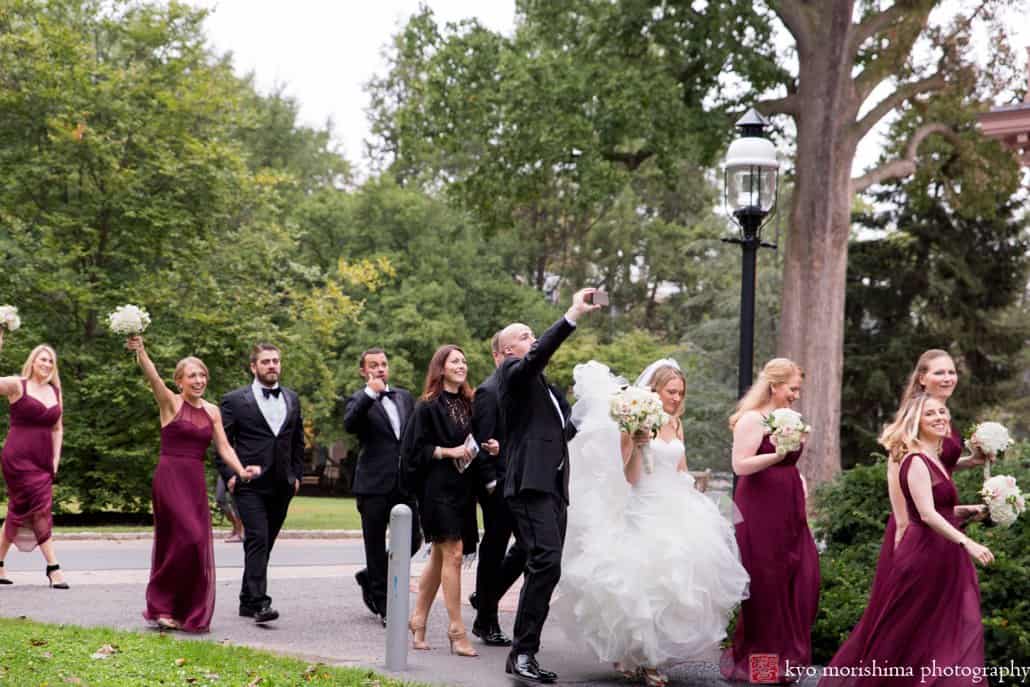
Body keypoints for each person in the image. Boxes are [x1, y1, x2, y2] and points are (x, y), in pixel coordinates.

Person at [557, 359, 750, 687]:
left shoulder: (675, 422)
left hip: (675, 502)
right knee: (643, 582)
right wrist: (637, 442)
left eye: (680, 393)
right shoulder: (632, 424)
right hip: (642, 505)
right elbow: (629, 477)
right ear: (654, 391)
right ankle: (643, 659)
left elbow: (681, 468)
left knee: (678, 583)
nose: (676, 398)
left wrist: (692, 498)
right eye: (671, 392)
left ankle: (652, 654)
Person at [818, 393, 992, 686]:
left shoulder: (934, 458)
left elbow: (940, 509)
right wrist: (968, 542)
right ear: (916, 422)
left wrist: (966, 510)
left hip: (943, 555)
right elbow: (925, 514)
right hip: (923, 556)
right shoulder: (914, 460)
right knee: (905, 635)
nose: (940, 417)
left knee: (943, 631)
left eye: (942, 412)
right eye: (930, 414)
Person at [843, 349, 990, 659]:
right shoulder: (916, 415)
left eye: (951, 371)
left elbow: (939, 464)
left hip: (941, 519)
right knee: (903, 616)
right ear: (922, 378)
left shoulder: (940, 416)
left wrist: (972, 462)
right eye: (939, 372)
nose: (948, 378)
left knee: (939, 615)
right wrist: (902, 524)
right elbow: (900, 469)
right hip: (917, 525)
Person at [497, 287, 600, 684]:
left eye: (530, 334)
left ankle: (522, 652)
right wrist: (572, 314)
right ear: (508, 351)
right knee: (545, 562)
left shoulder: (547, 389)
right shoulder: (512, 374)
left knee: (546, 567)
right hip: (529, 485)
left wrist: (603, 406)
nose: (532, 339)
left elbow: (565, 432)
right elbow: (536, 357)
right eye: (523, 336)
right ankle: (522, 653)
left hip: (555, 487)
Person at [127, 336, 260, 632]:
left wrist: (242, 471)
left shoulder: (212, 411)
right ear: (179, 382)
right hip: (170, 477)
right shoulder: (170, 403)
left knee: (196, 543)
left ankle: (183, 609)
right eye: (192, 376)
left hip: (194, 481)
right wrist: (141, 351)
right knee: (184, 538)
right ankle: (161, 606)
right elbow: (152, 376)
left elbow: (224, 448)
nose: (199, 380)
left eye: (202, 375)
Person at [720, 358, 820, 682]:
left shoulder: (791, 419)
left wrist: (800, 480)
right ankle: (762, 668)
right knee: (766, 586)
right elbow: (740, 466)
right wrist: (777, 454)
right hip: (759, 509)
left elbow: (788, 464)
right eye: (792, 388)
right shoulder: (752, 419)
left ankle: (788, 660)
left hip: (789, 508)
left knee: (798, 578)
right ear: (774, 386)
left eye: (798, 389)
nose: (795, 395)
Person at [401, 344, 480, 657]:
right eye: (455, 361)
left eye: (464, 361)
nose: (461, 366)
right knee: (454, 553)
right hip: (435, 489)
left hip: (463, 488)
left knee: (440, 556)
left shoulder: (470, 403)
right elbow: (412, 451)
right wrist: (448, 452)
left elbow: (473, 442)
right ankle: (456, 629)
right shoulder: (427, 406)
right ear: (441, 368)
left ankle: (418, 619)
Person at [217, 343, 305, 625]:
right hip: (249, 482)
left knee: (265, 544)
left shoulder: (292, 398)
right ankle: (259, 603)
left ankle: (246, 599)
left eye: (276, 361)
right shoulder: (233, 400)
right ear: (253, 367)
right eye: (266, 361)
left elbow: (296, 441)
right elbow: (221, 443)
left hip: (283, 484)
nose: (272, 365)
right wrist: (230, 474)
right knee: (257, 538)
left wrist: (298, 476)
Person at [343, 347, 421, 625]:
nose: (380, 369)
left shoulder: (404, 397)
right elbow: (350, 425)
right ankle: (385, 606)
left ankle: (370, 576)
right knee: (375, 546)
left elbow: (413, 437)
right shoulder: (358, 399)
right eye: (373, 365)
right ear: (363, 371)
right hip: (373, 485)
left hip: (404, 484)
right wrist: (369, 394)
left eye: (384, 364)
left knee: (413, 540)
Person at [0, 334, 68, 589]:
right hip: (18, 457)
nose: (47, 364)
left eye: (50, 360)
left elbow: (57, 428)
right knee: (40, 508)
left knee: (18, 510)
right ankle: (54, 568)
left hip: (43, 460)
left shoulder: (55, 391)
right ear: (33, 361)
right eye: (43, 359)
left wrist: (55, 459)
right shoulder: (19, 385)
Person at [469, 331, 521, 647]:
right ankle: (486, 621)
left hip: (520, 482)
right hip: (498, 486)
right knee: (494, 550)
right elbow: (481, 440)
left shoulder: (519, 391)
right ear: (497, 356)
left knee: (528, 548)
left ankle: (485, 599)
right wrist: (490, 483)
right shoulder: (488, 392)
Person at [215, 474, 245, 543]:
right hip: (223, 473)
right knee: (220, 499)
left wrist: (236, 475)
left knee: (236, 503)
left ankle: (240, 533)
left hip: (236, 473)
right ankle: (235, 526)